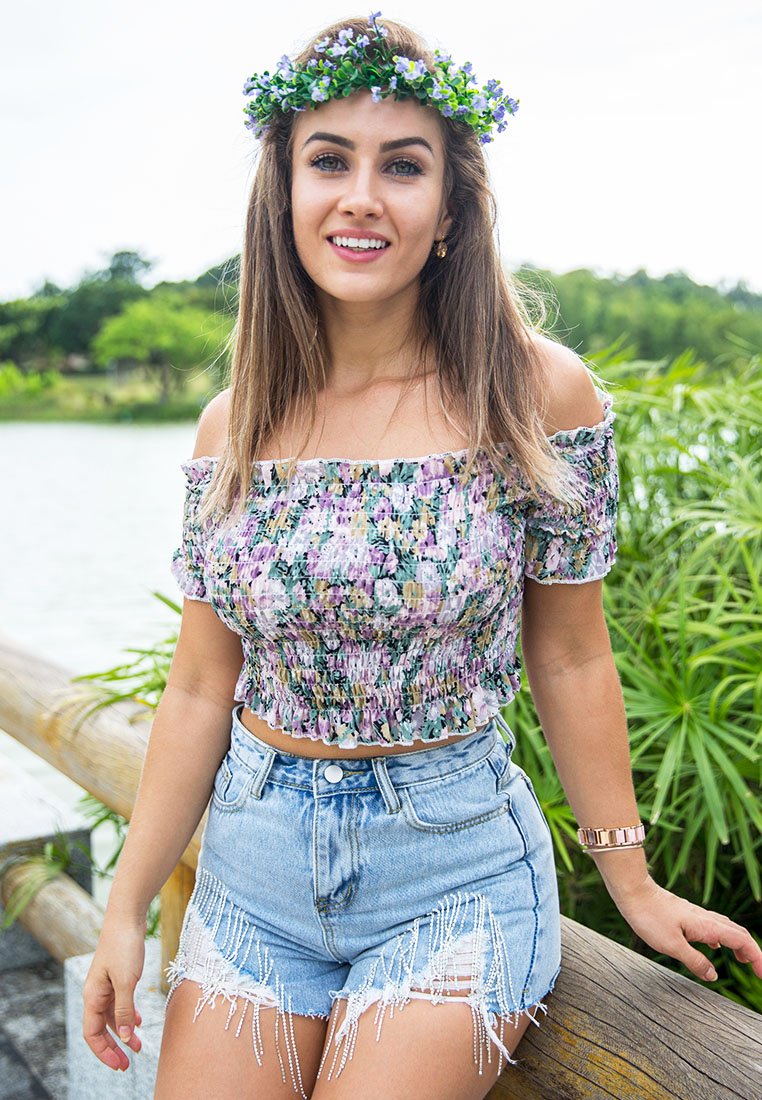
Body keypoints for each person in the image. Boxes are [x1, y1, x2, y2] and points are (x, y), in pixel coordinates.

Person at [81, 12, 762, 1100]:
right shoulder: (233, 423)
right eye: (328, 160)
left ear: (449, 209)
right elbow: (203, 683)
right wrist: (125, 907)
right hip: (253, 869)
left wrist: (629, 878)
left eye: (403, 164)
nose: (362, 194)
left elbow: (575, 657)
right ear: (285, 196)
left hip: (451, 870)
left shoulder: (539, 396)